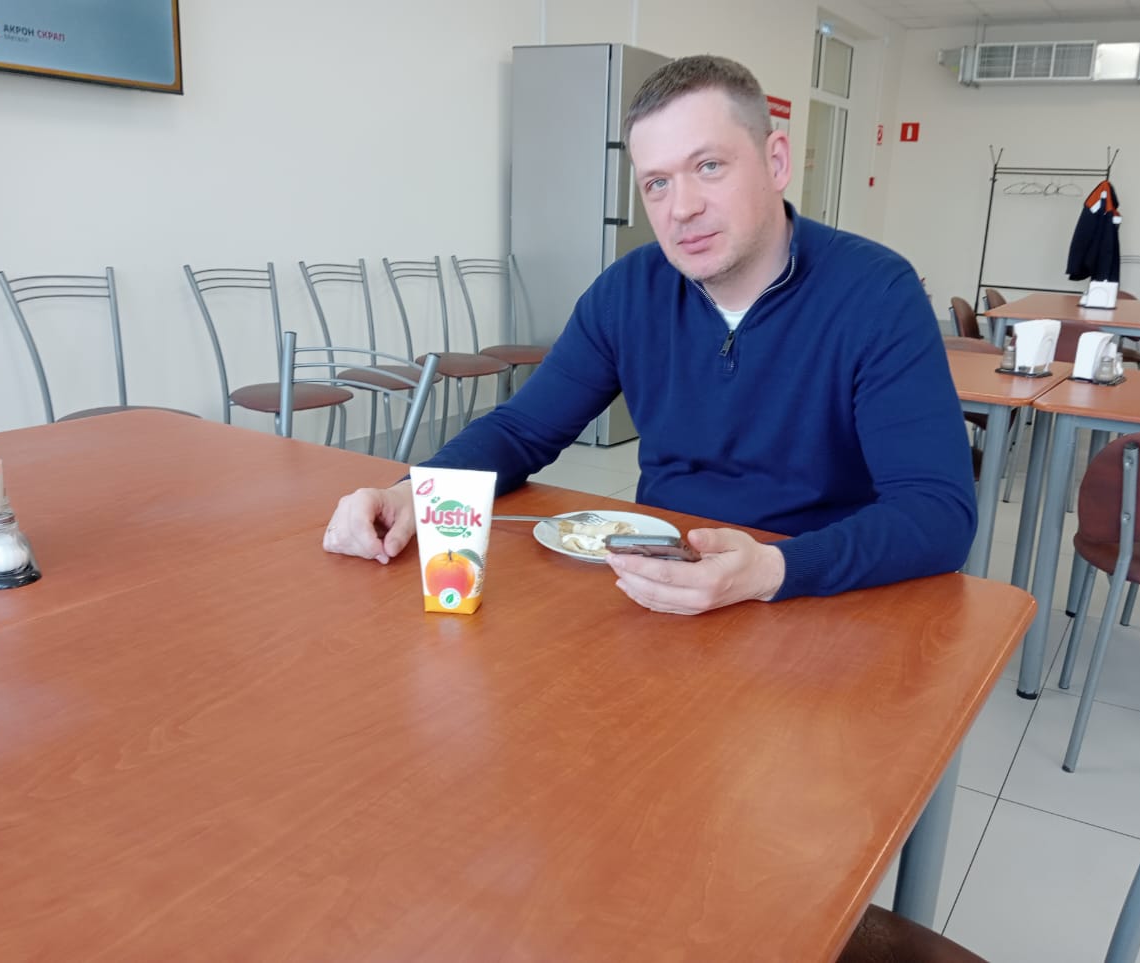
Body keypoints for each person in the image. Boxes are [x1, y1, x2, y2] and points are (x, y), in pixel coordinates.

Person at [324, 54, 976, 615]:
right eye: (657, 183)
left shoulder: (876, 293)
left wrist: (770, 570)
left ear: (776, 160)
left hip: (818, 595)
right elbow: (523, 430)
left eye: (709, 166)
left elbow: (938, 512)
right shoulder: (628, 291)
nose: (681, 207)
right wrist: (412, 491)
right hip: (664, 589)